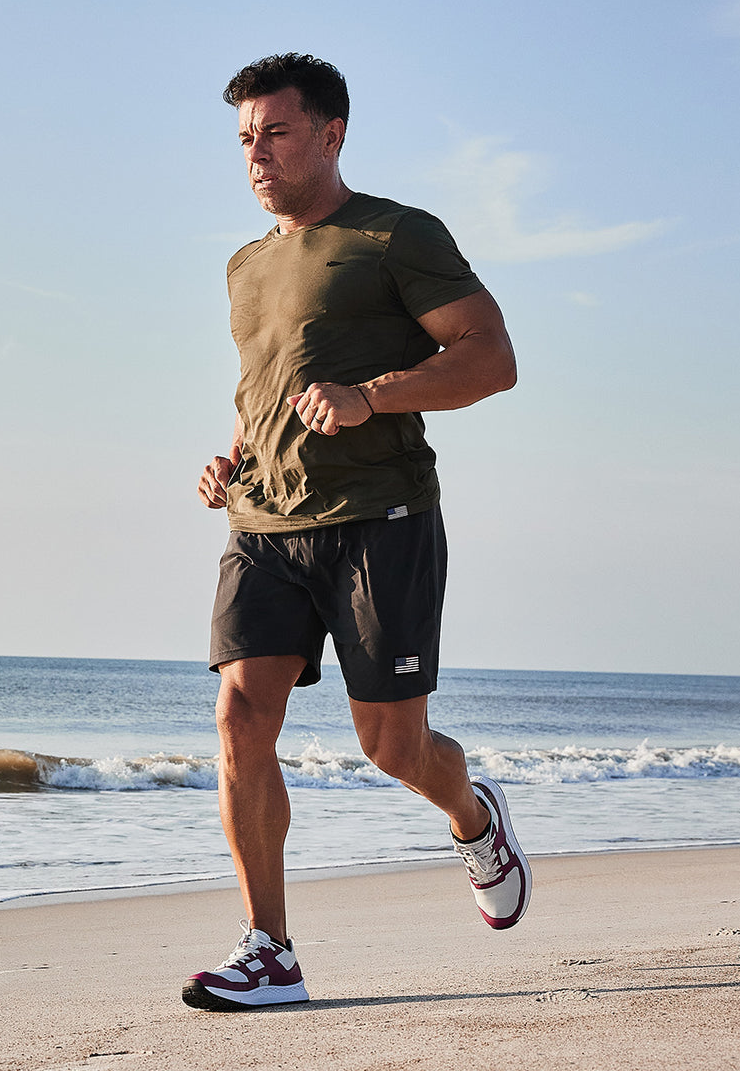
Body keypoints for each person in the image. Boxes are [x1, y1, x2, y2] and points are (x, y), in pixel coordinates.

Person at [184, 53, 529, 1012]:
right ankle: (271, 951)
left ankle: (473, 818)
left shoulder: (395, 236)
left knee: (390, 745)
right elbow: (271, 386)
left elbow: (490, 359)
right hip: (265, 525)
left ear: (331, 135)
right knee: (241, 719)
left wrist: (370, 398)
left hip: (382, 519)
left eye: (277, 132)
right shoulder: (244, 266)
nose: (256, 153)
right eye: (246, 137)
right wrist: (233, 456)